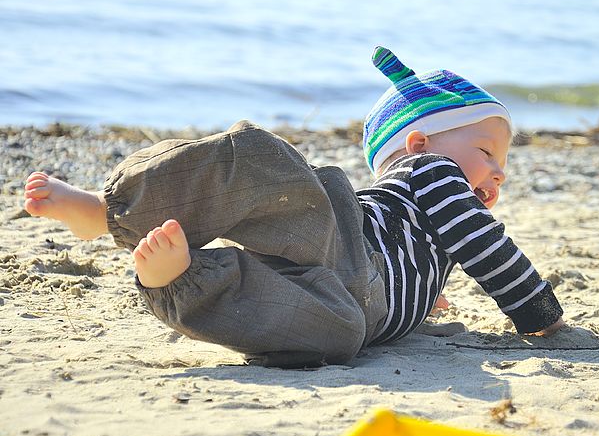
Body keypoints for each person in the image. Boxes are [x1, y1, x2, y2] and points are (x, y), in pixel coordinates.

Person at [23, 47, 564, 367]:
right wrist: (537, 314)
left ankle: (187, 279)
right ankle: (110, 211)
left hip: (359, 310)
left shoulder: (435, 234)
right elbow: (488, 249)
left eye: (503, 166)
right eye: (488, 153)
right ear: (420, 144)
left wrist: (425, 297)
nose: (497, 173)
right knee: (262, 160)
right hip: (346, 234)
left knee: (330, 336)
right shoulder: (434, 174)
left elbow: (431, 253)